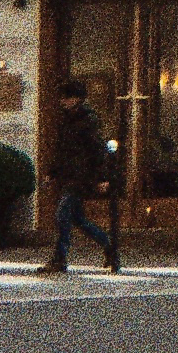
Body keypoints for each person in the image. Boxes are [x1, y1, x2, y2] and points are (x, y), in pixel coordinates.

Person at [41, 79, 118, 273]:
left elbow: (96, 150)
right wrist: (52, 173)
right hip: (70, 175)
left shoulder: (87, 121)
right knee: (78, 219)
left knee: (62, 214)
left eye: (66, 98)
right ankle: (110, 246)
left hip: (81, 177)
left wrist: (102, 177)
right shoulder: (66, 120)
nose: (62, 101)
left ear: (76, 99)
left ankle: (60, 258)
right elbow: (62, 150)